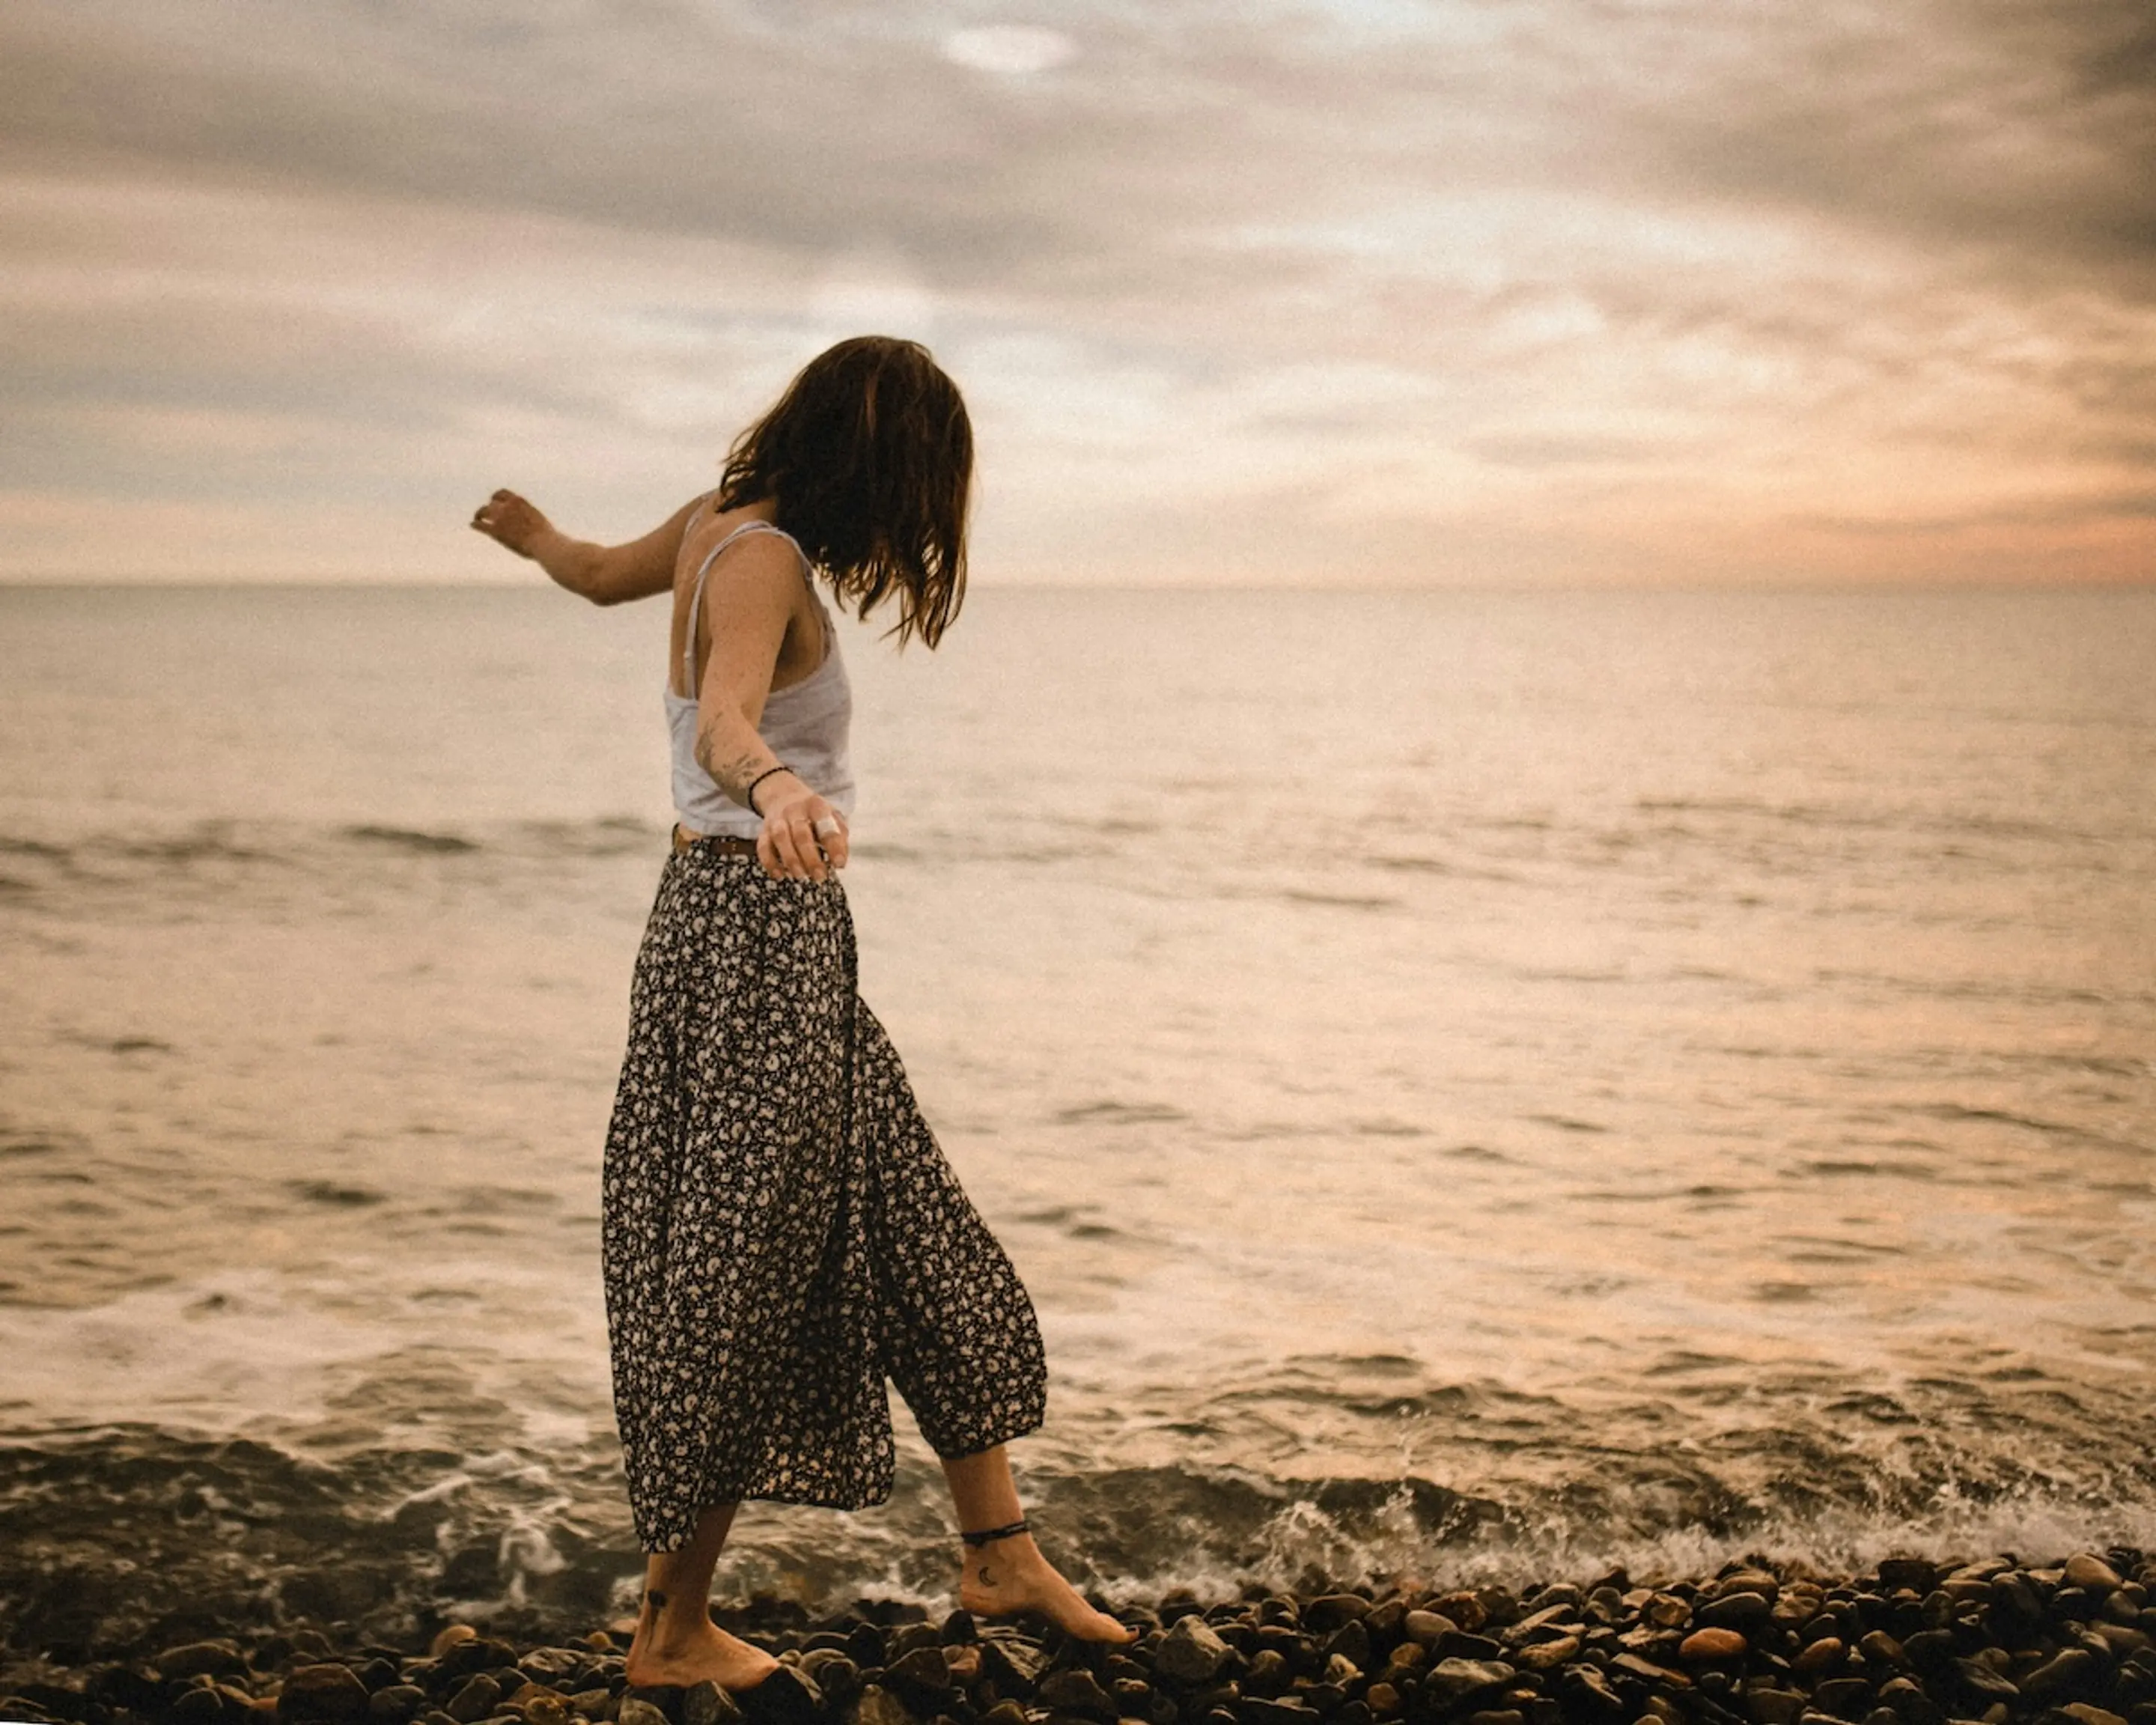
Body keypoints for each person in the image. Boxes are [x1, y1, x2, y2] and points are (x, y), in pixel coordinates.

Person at [468, 336, 1134, 1691]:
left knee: (900, 1210)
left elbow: (599, 578)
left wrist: (535, 534)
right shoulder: (766, 558)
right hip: (758, 927)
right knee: (747, 1264)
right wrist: (777, 789)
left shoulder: (714, 525)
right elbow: (722, 718)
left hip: (728, 928)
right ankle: (671, 1630)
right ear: (876, 465)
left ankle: (998, 1550)